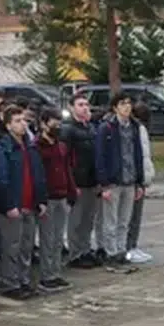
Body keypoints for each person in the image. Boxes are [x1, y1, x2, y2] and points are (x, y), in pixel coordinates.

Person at [0, 106, 47, 300]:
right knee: (10, 247)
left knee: (26, 246)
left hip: (29, 204)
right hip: (13, 206)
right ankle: (9, 283)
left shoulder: (30, 146)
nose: (23, 124)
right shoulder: (2, 148)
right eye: (17, 121)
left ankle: (23, 280)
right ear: (7, 125)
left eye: (24, 120)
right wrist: (7, 205)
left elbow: (37, 175)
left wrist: (41, 200)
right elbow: (1, 179)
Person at [94, 93, 145, 266]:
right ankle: (111, 252)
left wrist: (140, 182)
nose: (127, 107)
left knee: (124, 220)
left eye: (129, 103)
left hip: (130, 180)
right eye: (123, 104)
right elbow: (100, 157)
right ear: (115, 107)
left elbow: (138, 154)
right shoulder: (106, 128)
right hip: (113, 181)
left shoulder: (135, 127)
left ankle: (121, 251)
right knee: (111, 220)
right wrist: (104, 184)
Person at [36, 109, 76, 289]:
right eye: (54, 122)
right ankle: (47, 275)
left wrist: (71, 191)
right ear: (43, 124)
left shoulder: (61, 146)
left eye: (59, 123)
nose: (57, 126)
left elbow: (67, 170)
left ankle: (56, 272)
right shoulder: (37, 146)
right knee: (48, 238)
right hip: (48, 197)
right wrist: (40, 198)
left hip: (62, 196)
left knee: (59, 238)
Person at [62, 93, 102, 269]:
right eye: (80, 104)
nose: (85, 108)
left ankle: (85, 249)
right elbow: (65, 159)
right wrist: (70, 183)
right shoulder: (68, 129)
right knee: (76, 220)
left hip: (92, 180)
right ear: (71, 108)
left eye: (86, 104)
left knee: (88, 219)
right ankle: (75, 253)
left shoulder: (91, 128)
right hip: (77, 182)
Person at [125, 102, 156, 264]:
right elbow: (142, 157)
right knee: (132, 216)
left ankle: (131, 245)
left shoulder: (137, 129)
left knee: (133, 215)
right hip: (136, 178)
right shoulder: (137, 129)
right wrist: (143, 178)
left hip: (138, 177)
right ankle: (129, 247)